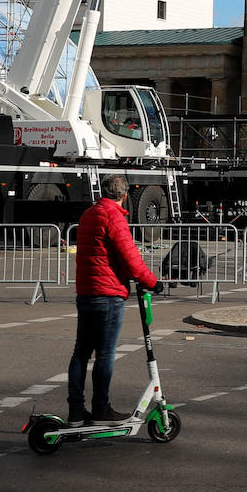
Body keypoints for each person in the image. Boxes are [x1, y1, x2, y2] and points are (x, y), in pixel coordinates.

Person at [67, 175, 159, 425]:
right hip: (108, 293)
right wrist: (153, 282)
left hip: (86, 291)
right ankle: (100, 408)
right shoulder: (114, 217)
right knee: (105, 355)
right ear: (124, 195)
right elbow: (129, 255)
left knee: (81, 352)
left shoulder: (89, 215)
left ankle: (76, 409)